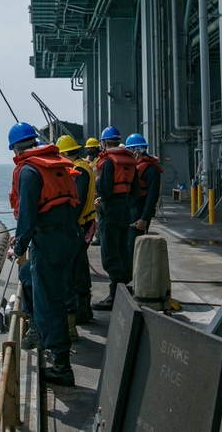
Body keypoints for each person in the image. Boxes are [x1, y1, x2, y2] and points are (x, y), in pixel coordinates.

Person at [7, 122, 80, 387]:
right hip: (67, 237)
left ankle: (61, 366)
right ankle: (37, 330)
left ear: (15, 147)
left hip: (48, 243)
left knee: (50, 302)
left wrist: (18, 246)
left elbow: (26, 214)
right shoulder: (56, 164)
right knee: (28, 278)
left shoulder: (28, 171)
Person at [91, 126, 139, 311]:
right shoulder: (130, 161)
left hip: (110, 209)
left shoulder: (108, 163)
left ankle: (114, 294)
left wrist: (97, 177)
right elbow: (135, 191)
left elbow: (104, 189)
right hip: (125, 207)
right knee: (122, 248)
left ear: (103, 143)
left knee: (109, 253)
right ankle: (124, 287)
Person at [57, 134, 97, 328]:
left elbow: (78, 201)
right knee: (80, 266)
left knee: (74, 269)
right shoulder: (85, 166)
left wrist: (68, 225)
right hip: (87, 222)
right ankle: (84, 308)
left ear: (65, 154)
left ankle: (79, 310)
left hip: (81, 224)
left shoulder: (79, 170)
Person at [126, 133, 162, 260]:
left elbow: (152, 197)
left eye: (129, 150)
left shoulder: (151, 171)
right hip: (130, 209)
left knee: (134, 246)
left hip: (139, 211)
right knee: (128, 245)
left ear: (136, 151)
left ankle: (135, 276)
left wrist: (144, 218)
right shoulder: (133, 167)